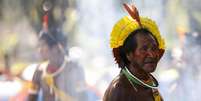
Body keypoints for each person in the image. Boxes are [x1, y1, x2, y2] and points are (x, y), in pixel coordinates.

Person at [103, 3, 165, 101]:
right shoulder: (120, 90)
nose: (152, 54)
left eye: (154, 48)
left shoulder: (148, 85)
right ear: (129, 55)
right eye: (144, 49)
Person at [28, 30, 88, 101]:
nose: (40, 50)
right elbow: (31, 98)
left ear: (56, 48)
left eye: (43, 45)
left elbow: (83, 98)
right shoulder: (39, 71)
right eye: (39, 46)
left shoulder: (75, 68)